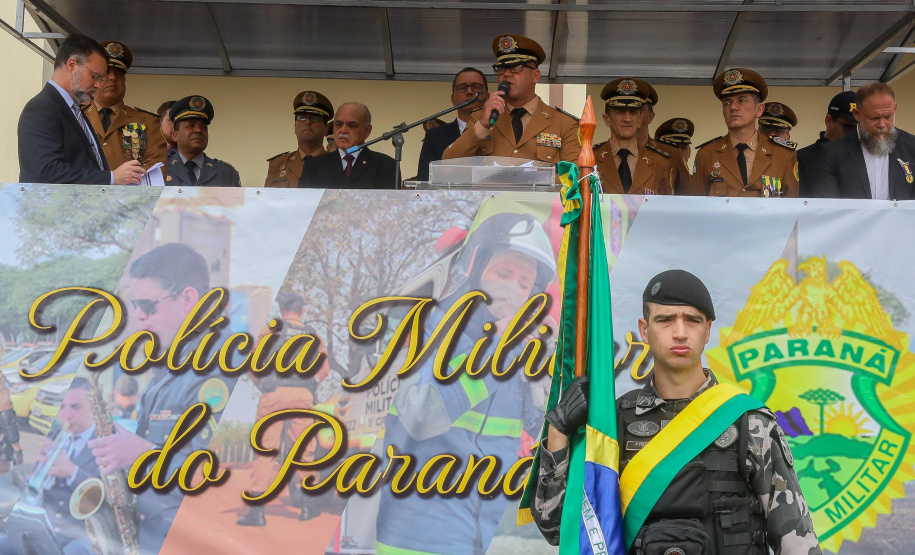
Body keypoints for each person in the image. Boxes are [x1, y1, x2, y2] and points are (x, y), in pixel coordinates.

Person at [531, 269, 821, 555]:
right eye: (665, 320)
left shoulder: (750, 423)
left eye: (692, 321)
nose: (680, 332)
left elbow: (798, 544)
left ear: (707, 330)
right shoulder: (614, 424)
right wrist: (558, 432)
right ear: (644, 330)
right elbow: (556, 529)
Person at [376, 212, 555, 555]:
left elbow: (541, 432)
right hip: (416, 534)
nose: (514, 289)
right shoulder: (431, 328)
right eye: (504, 274)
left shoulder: (519, 347)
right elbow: (421, 417)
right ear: (475, 270)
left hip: (481, 535)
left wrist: (541, 372)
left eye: (524, 284)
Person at [88, 243, 236, 553]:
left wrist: (141, 453)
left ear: (188, 299)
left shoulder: (219, 366)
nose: (139, 316)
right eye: (135, 303)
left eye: (147, 305)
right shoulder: (170, 363)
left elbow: (215, 476)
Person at [237, 292, 329, 526]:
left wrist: (262, 384)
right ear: (303, 310)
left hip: (274, 395)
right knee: (304, 452)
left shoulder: (271, 330)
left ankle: (257, 512)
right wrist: (310, 387)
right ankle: (308, 508)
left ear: (282, 310)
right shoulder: (313, 335)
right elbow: (325, 369)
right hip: (303, 397)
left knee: (266, 451)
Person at [17, 34, 146, 185]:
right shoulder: (41, 108)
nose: (98, 85)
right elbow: (48, 171)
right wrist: (111, 178)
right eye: (95, 76)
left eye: (101, 79)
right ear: (72, 65)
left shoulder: (73, 108)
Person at [442, 34, 580, 166]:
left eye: (516, 67)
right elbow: (448, 165)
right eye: (501, 69)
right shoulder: (479, 118)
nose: (506, 74)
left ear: (535, 76)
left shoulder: (564, 124)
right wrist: (482, 126)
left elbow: (577, 177)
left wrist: (534, 178)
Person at [0, 377, 99, 555]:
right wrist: (35, 466)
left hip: (77, 533)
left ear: (92, 407)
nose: (66, 415)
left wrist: (73, 472)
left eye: (75, 407)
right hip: (39, 525)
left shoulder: (104, 445)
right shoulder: (54, 436)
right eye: (62, 407)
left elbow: (107, 501)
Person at [692, 68, 798, 197]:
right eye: (727, 103)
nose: (733, 107)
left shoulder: (783, 155)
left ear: (759, 109)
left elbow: (793, 208)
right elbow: (696, 208)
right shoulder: (707, 155)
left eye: (741, 100)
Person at [811, 82, 915, 200]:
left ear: (895, 108)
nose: (882, 125)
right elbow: (825, 206)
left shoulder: (912, 147)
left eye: (888, 117)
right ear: (857, 114)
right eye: (874, 118)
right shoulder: (832, 153)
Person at [83, 41, 167, 174]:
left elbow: (156, 167)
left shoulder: (147, 121)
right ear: (96, 79)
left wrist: (124, 184)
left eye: (119, 74)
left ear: (125, 81)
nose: (113, 77)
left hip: (132, 192)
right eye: (107, 72)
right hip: (85, 193)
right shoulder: (77, 117)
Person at [594, 78, 674, 195]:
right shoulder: (591, 159)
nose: (627, 119)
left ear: (640, 120)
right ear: (607, 119)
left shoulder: (659, 163)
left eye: (633, 112)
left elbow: (667, 210)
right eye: (620, 112)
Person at [297, 102, 397, 189]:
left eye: (352, 125)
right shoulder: (314, 166)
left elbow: (389, 207)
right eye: (338, 124)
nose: (343, 130)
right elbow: (304, 205)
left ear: (367, 131)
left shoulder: (385, 166)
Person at [416, 68, 489, 181]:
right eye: (462, 88)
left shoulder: (498, 129)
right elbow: (425, 181)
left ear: (487, 96)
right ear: (452, 99)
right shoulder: (435, 136)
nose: (469, 91)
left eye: (476, 87)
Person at [165, 95, 241, 187]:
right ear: (175, 135)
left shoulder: (226, 174)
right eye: (190, 125)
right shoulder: (160, 171)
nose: (198, 130)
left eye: (203, 127)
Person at [264, 91, 334, 187]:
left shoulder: (336, 163)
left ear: (325, 128)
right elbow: (268, 200)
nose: (307, 122)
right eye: (301, 118)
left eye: (314, 118)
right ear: (295, 126)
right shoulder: (277, 164)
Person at [796, 91, 857, 197]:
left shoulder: (863, 158)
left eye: (860, 129)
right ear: (828, 121)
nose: (855, 134)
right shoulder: (802, 158)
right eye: (849, 128)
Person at [0, 373, 22, 466]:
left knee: (14, 441)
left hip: (5, 411)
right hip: (5, 410)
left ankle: (19, 468)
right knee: (12, 440)